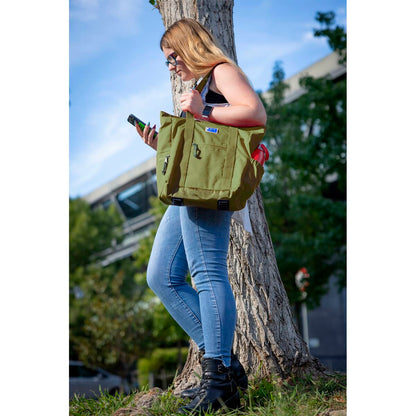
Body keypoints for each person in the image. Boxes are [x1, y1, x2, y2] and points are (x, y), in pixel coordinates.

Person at [135, 18, 267, 414]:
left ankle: (219, 383)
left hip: (208, 190)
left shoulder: (221, 72)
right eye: (167, 61)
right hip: (191, 186)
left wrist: (205, 108)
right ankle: (226, 370)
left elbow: (255, 114)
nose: (172, 65)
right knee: (161, 276)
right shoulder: (197, 88)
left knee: (207, 273)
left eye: (174, 56)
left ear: (191, 46)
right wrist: (162, 146)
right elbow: (201, 147)